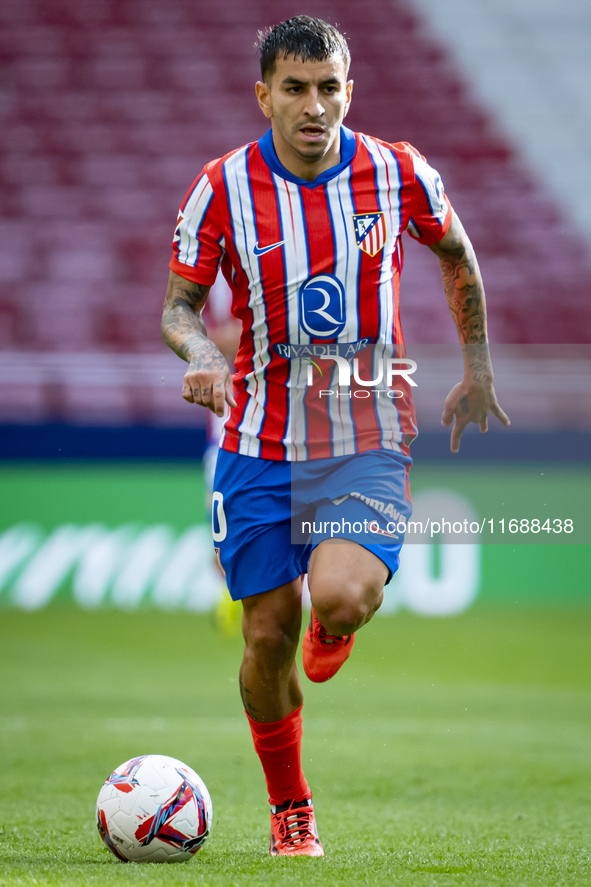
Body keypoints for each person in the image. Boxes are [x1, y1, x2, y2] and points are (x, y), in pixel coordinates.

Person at [161, 15, 509, 857]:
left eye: (329, 88)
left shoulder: (396, 171)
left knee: (344, 595)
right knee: (265, 636)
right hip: (255, 441)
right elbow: (179, 305)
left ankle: (338, 625)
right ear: (264, 95)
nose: (314, 105)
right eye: (295, 88)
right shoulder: (222, 188)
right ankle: (291, 809)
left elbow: (456, 253)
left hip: (364, 431)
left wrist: (478, 369)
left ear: (347, 90)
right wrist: (205, 353)